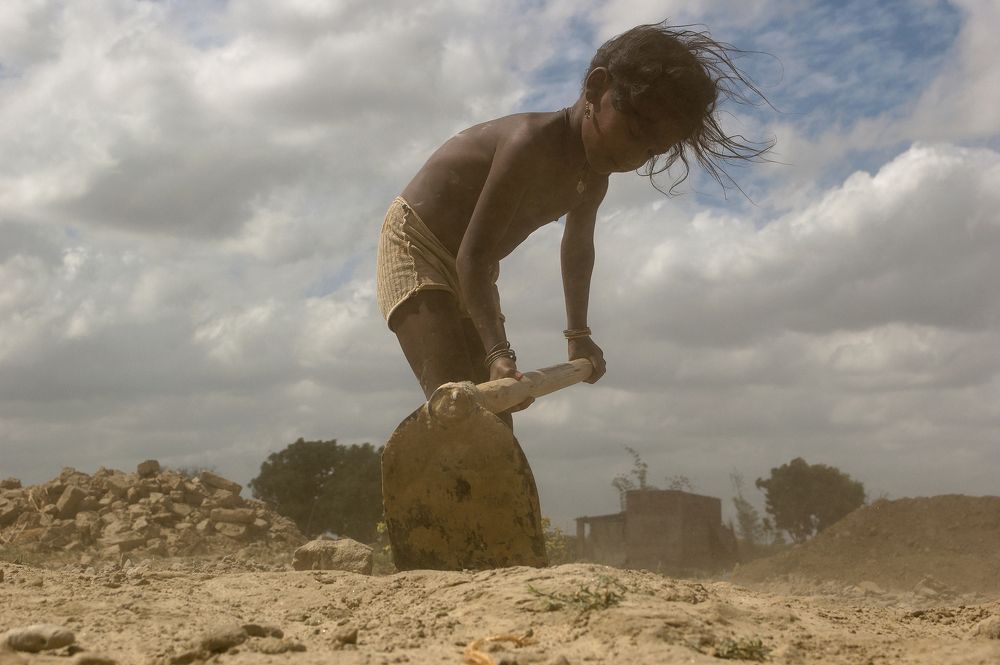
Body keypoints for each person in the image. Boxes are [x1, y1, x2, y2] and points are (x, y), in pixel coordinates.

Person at [376, 21, 772, 421]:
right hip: (418, 246)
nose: (636, 158)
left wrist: (578, 336)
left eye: (652, 151)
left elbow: (578, 249)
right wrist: (498, 351)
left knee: (496, 415)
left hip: (474, 269)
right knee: (458, 405)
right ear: (596, 89)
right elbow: (472, 257)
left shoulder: (593, 178)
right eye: (634, 133)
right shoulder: (529, 144)